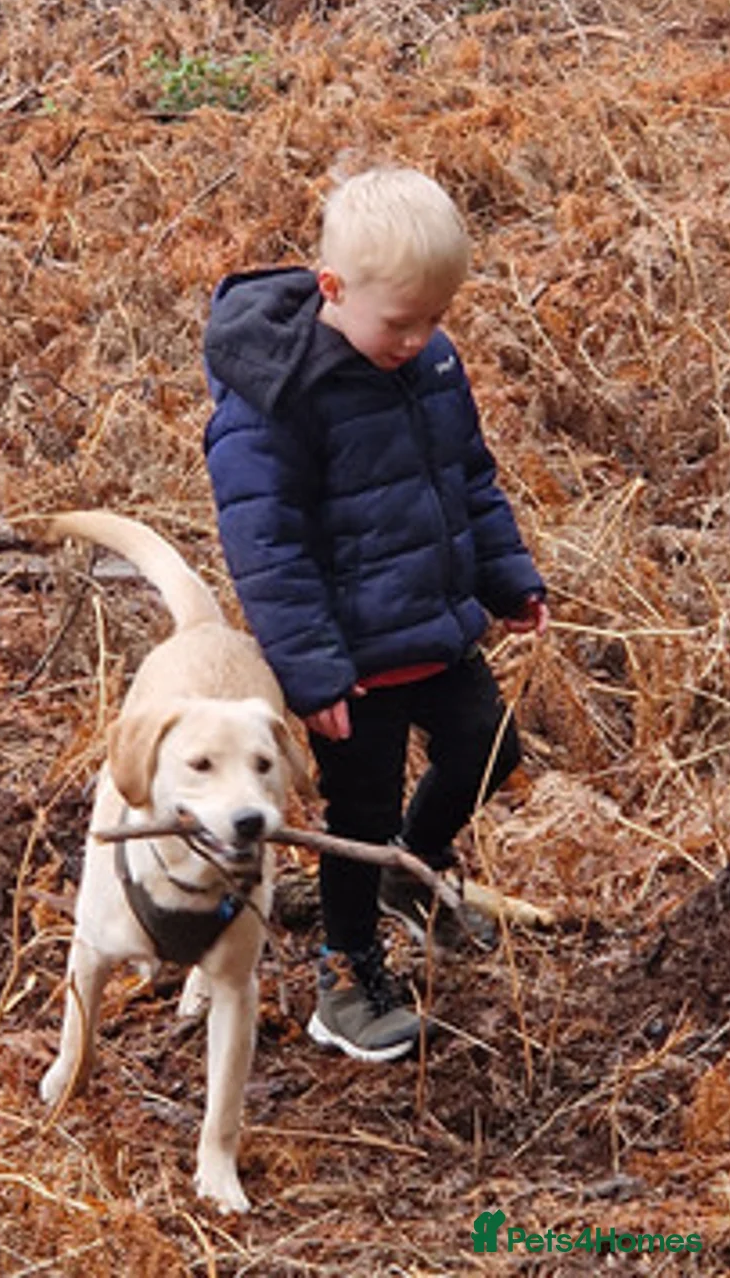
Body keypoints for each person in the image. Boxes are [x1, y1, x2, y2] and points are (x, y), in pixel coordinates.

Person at [202, 166, 548, 1062]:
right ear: (333, 290)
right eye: (401, 322)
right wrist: (312, 671)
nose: (421, 338)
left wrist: (509, 579)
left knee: (490, 747)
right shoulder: (278, 398)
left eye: (436, 318)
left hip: (433, 626)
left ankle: (415, 867)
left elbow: (469, 476)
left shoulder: (428, 360)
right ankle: (346, 970)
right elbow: (266, 547)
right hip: (351, 662)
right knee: (357, 819)